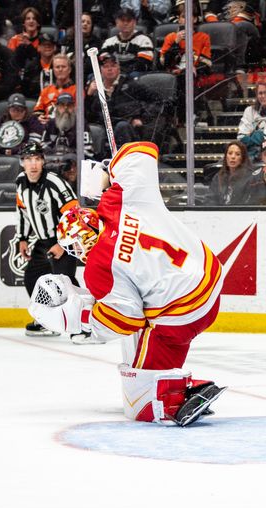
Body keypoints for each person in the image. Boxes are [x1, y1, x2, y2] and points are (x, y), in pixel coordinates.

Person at [31, 141, 226, 426]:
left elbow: (125, 319)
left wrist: (83, 318)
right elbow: (143, 152)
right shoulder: (119, 200)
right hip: (209, 277)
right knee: (154, 333)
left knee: (140, 401)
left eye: (74, 248)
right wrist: (110, 170)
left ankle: (172, 396)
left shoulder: (98, 267)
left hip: (182, 312)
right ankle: (174, 382)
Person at [15, 141, 80, 337]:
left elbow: (74, 213)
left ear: (43, 161)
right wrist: (23, 238)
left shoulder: (54, 182)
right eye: (28, 159)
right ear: (22, 163)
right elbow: (22, 211)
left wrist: (62, 244)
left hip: (64, 240)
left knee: (67, 284)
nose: (33, 164)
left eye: (36, 159)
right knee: (32, 279)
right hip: (43, 242)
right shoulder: (20, 182)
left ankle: (84, 325)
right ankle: (47, 322)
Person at [100, 7, 155, 77]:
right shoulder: (109, 42)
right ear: (117, 22)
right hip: (113, 75)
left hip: (134, 76)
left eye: (129, 20)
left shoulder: (144, 40)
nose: (125, 23)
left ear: (134, 23)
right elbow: (103, 60)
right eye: (122, 20)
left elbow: (144, 63)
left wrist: (123, 72)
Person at [41, 92, 95, 158]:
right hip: (52, 161)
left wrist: (69, 152)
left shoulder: (81, 124)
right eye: (62, 105)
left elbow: (88, 150)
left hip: (74, 163)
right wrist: (54, 150)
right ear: (57, 107)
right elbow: (43, 146)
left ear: (73, 107)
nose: (66, 108)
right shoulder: (51, 123)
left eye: (69, 105)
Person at [33, 54, 76, 124]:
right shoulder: (46, 90)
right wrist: (39, 117)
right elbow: (37, 112)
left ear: (69, 69)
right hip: (47, 126)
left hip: (68, 125)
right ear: (53, 70)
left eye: (63, 67)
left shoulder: (77, 90)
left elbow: (77, 113)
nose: (60, 69)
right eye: (57, 67)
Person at [209, 141, 254, 205]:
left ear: (242, 158)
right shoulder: (218, 176)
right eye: (230, 153)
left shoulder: (250, 177)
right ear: (225, 157)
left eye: (237, 154)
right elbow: (210, 199)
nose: (233, 157)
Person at [16, 31, 58, 99]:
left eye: (50, 45)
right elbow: (25, 90)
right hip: (35, 101)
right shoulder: (30, 66)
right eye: (44, 45)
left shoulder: (61, 65)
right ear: (38, 48)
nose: (47, 47)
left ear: (54, 48)